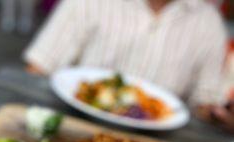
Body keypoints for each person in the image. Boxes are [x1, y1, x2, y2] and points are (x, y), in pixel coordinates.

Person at [24, 0, 233, 131]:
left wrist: (220, 115)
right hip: (72, 127)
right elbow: (38, 67)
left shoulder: (208, 22)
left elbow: (205, 103)